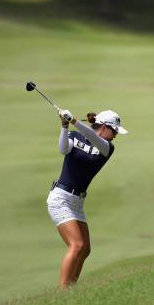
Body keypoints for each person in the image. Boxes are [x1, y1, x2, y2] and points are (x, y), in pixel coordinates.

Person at [46, 108, 128, 290]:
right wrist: (65, 126)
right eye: (114, 131)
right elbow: (63, 149)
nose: (115, 135)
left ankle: (72, 289)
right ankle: (63, 292)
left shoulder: (106, 147)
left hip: (77, 202)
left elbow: (91, 135)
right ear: (105, 127)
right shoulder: (76, 136)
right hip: (60, 197)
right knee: (77, 245)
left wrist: (74, 120)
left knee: (85, 249)